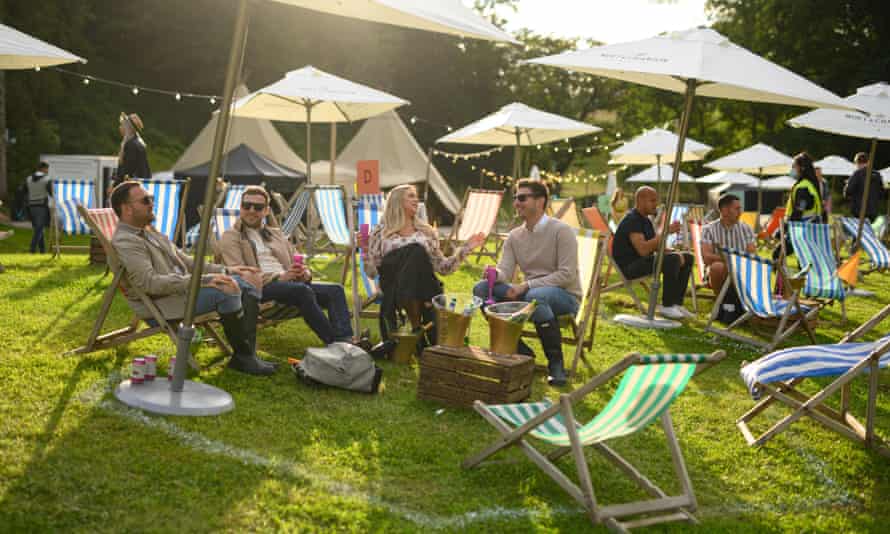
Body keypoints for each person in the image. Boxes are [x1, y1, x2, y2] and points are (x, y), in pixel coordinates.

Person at [110, 181, 275, 376]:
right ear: (127, 208)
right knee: (228, 288)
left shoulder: (149, 233)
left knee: (245, 279)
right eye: (146, 200)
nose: (152, 203)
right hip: (163, 304)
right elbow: (149, 283)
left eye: (152, 199)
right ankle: (244, 357)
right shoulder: (126, 241)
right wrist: (204, 280)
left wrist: (228, 269)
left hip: (182, 291)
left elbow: (188, 263)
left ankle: (246, 356)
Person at [218, 185, 359, 347]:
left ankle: (346, 340)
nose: (251, 210)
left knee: (335, 290)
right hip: (258, 288)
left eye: (257, 207)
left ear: (266, 211)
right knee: (302, 291)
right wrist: (280, 277)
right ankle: (336, 344)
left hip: (289, 285)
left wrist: (304, 273)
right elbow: (240, 272)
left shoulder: (275, 234)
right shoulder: (231, 236)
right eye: (246, 205)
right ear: (240, 207)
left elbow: (296, 259)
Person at [472, 179, 580, 386]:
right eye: (515, 198)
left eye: (522, 198)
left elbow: (567, 275)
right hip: (529, 294)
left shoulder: (561, 231)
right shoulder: (515, 235)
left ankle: (555, 363)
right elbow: (506, 270)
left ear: (540, 202)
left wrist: (526, 286)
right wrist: (496, 273)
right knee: (481, 289)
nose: (516, 203)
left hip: (564, 296)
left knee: (535, 297)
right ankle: (521, 350)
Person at [364, 184, 486, 348]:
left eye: (416, 196)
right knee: (416, 250)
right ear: (397, 201)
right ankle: (426, 310)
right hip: (394, 287)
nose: (416, 200)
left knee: (417, 254)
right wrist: (365, 251)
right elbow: (372, 272)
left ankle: (417, 329)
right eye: (411, 196)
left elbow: (443, 268)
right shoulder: (380, 232)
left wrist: (466, 248)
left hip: (417, 288)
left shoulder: (426, 232)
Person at [612, 186, 693, 320]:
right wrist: (666, 232)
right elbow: (643, 250)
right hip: (629, 267)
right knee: (672, 260)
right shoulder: (632, 220)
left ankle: (676, 304)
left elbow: (654, 245)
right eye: (653, 201)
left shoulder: (645, 220)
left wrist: (674, 252)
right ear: (640, 201)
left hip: (641, 261)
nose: (656, 204)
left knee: (688, 257)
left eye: (656, 201)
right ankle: (667, 306)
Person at [700, 194, 756, 292]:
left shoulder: (746, 228)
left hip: (742, 268)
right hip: (719, 271)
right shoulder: (709, 229)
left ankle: (740, 301)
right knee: (717, 267)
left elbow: (752, 254)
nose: (740, 212)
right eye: (737, 209)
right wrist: (730, 260)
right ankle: (721, 302)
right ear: (724, 210)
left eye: (740, 209)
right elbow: (707, 257)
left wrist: (730, 261)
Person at [112, 113, 151, 188]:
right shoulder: (136, 142)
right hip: (139, 185)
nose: (120, 127)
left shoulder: (131, 145)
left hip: (134, 187)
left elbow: (127, 170)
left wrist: (114, 186)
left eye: (122, 125)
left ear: (128, 128)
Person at [844, 151, 884, 222]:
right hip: (873, 211)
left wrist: (847, 184)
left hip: (859, 210)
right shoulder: (877, 175)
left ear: (857, 162)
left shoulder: (857, 174)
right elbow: (881, 193)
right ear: (868, 162)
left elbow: (848, 191)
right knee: (869, 232)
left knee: (859, 232)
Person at [25, 161, 53, 254]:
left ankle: (42, 251)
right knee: (39, 228)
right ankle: (32, 249)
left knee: (39, 228)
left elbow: (25, 191)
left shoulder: (28, 178)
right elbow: (51, 193)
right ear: (44, 169)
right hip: (41, 206)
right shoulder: (47, 179)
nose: (47, 171)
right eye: (47, 169)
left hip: (31, 206)